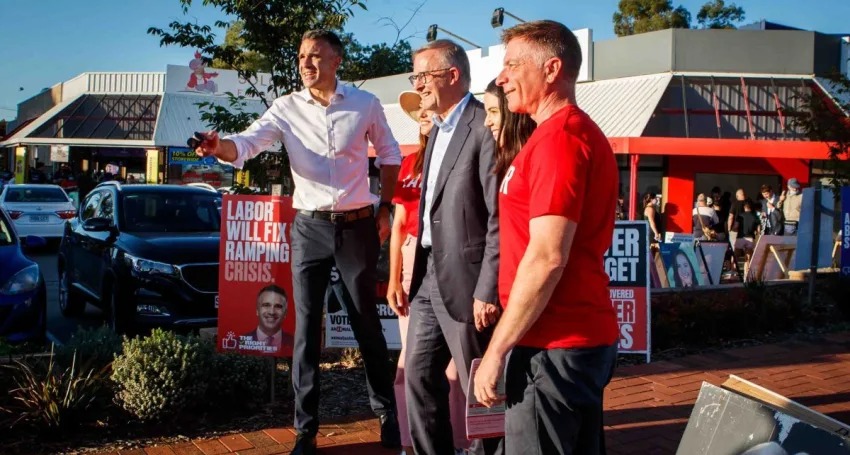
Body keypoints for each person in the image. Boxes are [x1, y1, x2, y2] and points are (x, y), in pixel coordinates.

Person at [193, 29, 402, 454]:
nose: (306, 64)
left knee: (366, 325)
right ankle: (305, 431)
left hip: (357, 228)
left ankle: (389, 416)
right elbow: (248, 144)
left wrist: (385, 208)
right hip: (309, 229)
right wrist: (220, 148)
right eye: (302, 57)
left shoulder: (364, 104)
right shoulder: (285, 108)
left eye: (315, 56)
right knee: (306, 329)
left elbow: (390, 153)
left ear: (337, 61)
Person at [474, 20, 619, 454]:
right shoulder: (552, 136)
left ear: (552, 69)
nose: (502, 77)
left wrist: (497, 350)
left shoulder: (561, 140)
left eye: (513, 65)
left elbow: (547, 257)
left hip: (554, 345)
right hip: (561, 341)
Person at [404, 39, 502, 455]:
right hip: (428, 277)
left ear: (453, 76)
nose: (418, 85)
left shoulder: (485, 125)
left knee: (479, 385)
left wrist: (488, 286)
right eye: (416, 76)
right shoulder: (436, 128)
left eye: (423, 76)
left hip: (467, 280)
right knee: (418, 375)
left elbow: (499, 215)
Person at [387, 91, 469, 455]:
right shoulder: (409, 165)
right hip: (412, 261)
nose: (423, 115)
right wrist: (393, 277)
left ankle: (465, 441)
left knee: (455, 370)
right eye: (417, 112)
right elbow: (399, 224)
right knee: (410, 364)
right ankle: (410, 443)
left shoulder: (459, 153)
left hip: (452, 260)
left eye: (427, 110)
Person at [482, 78, 536, 182]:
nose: (487, 122)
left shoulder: (536, 159)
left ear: (514, 113)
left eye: (494, 111)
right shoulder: (504, 160)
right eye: (486, 113)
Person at [241, 284, 293, 353]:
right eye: (266, 305)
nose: (272, 312)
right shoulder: (239, 343)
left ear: (285, 313)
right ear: (257, 310)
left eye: (278, 306)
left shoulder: (295, 344)